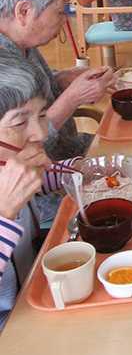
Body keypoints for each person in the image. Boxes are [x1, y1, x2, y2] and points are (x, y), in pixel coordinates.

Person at [0, 0, 113, 161]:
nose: (63, 20)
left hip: (69, 148)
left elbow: (29, 95)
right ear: (24, 11)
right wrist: (73, 98)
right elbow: (20, 150)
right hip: (46, 175)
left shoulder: (23, 43)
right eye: (60, 10)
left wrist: (61, 79)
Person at [0, 49, 78, 331]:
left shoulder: (7, 165)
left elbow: (35, 184)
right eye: (19, 123)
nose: (40, 134)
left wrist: (80, 169)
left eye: (42, 115)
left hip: (38, 291)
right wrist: (5, 211)